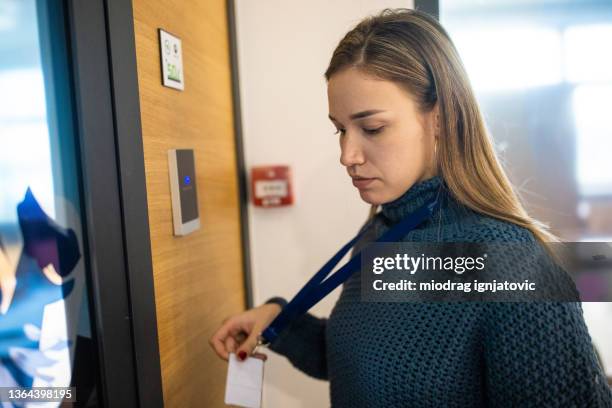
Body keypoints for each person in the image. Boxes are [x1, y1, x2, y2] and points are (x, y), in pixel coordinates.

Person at [210, 8, 612, 407]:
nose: (347, 154)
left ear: (438, 119)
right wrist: (280, 320)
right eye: (340, 129)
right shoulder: (383, 229)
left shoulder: (509, 263)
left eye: (372, 128)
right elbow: (365, 362)